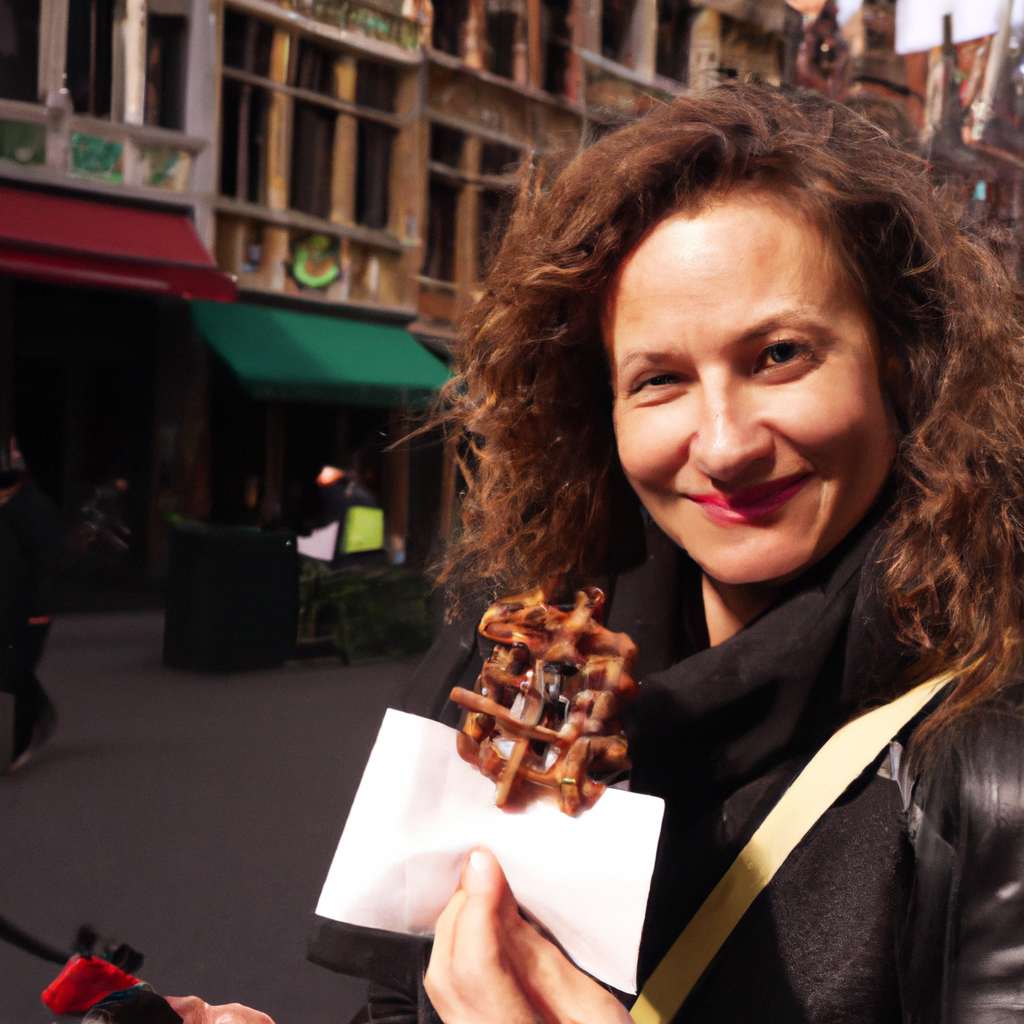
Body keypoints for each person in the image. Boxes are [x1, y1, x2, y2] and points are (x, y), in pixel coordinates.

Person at [171, 84, 1024, 1023]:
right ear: (601, 412)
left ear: (899, 359)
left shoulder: (991, 761)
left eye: (779, 355)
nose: (726, 442)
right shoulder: (516, 670)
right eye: (658, 379)